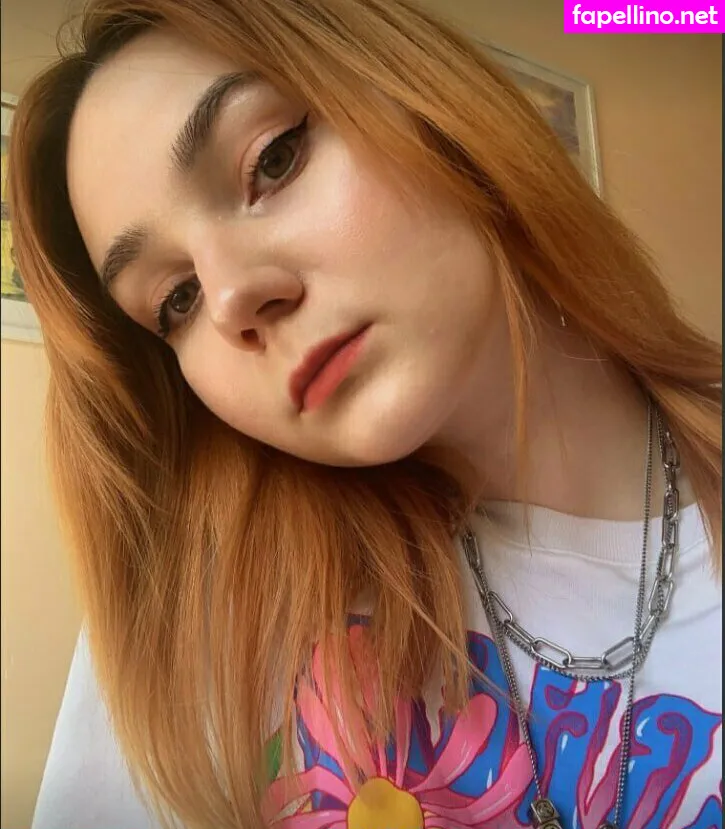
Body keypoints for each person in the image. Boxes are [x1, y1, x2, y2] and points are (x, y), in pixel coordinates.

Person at [7, 1, 721, 827]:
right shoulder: (206, 618)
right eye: (177, 298)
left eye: (272, 159)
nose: (232, 298)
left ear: (430, 103)